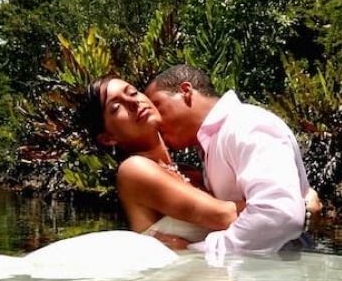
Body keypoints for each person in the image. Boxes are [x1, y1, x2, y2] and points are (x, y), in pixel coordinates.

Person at [144, 64, 316, 257]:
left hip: (276, 278)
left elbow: (279, 214)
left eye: (157, 105)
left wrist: (195, 252)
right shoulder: (218, 139)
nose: (155, 121)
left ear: (185, 91)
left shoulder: (246, 124)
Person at [82, 74, 244, 248]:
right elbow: (225, 217)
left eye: (133, 92)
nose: (133, 103)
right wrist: (271, 198)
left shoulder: (189, 172)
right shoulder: (134, 170)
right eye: (116, 107)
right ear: (108, 138)